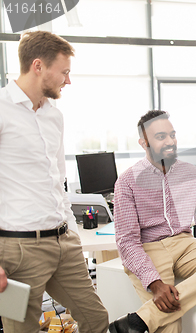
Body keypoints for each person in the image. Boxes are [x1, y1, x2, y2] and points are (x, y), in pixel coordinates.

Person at [0, 31, 109, 332]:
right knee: (20, 329)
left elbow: (57, 180)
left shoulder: (54, 116)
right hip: (18, 249)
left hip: (64, 243)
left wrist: (70, 231)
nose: (68, 80)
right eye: (64, 72)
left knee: (96, 319)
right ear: (38, 66)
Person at [109, 110, 196, 333]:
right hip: (148, 247)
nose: (170, 142)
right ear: (144, 143)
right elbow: (127, 241)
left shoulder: (193, 174)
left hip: (185, 242)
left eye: (172, 135)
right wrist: (155, 283)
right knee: (169, 325)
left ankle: (140, 319)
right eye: (161, 137)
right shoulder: (127, 181)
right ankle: (150, 316)